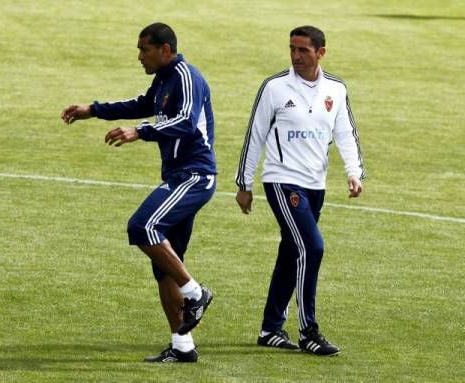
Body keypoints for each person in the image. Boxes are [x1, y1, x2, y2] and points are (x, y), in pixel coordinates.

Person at [61, 22, 217, 363]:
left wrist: (140, 132)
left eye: (144, 49)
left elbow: (186, 123)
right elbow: (140, 104)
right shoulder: (162, 80)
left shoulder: (187, 77)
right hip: (178, 175)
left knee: (142, 227)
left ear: (165, 50)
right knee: (164, 266)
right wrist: (93, 110)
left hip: (195, 176)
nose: (139, 57)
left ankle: (196, 292)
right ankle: (182, 347)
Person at [235, 25, 365, 356]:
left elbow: (345, 133)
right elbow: (256, 134)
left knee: (292, 252)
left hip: (315, 184)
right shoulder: (275, 88)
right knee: (313, 247)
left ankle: (270, 329)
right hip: (282, 180)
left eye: (303, 50)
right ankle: (308, 331)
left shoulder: (336, 89)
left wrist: (354, 172)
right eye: (292, 49)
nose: (295, 56)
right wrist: (244, 184)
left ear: (321, 52)